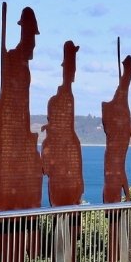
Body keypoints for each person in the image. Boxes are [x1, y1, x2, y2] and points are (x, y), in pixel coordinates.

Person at [0, 6, 43, 210]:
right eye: (32, 35)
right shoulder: (15, 58)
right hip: (12, 131)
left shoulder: (20, 60)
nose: (34, 42)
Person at [43, 41, 84, 207]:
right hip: (60, 158)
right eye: (70, 67)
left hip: (68, 155)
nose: (73, 72)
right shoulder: (57, 100)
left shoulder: (68, 98)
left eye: (73, 67)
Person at [101, 56, 131, 203]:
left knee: (118, 165)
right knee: (118, 165)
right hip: (118, 134)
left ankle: (128, 70)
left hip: (118, 135)